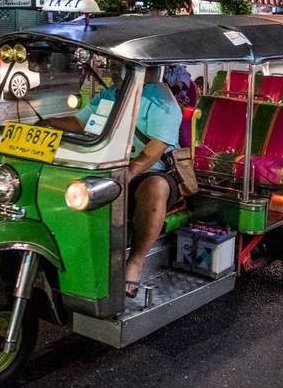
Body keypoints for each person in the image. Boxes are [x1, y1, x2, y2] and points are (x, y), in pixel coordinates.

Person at [38, 63, 182, 298]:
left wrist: (131, 170)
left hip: (149, 172)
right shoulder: (109, 94)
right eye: (115, 65)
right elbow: (80, 123)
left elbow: (156, 147)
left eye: (123, 65)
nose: (116, 70)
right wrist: (50, 122)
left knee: (156, 188)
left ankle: (134, 262)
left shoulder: (161, 100)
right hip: (106, 166)